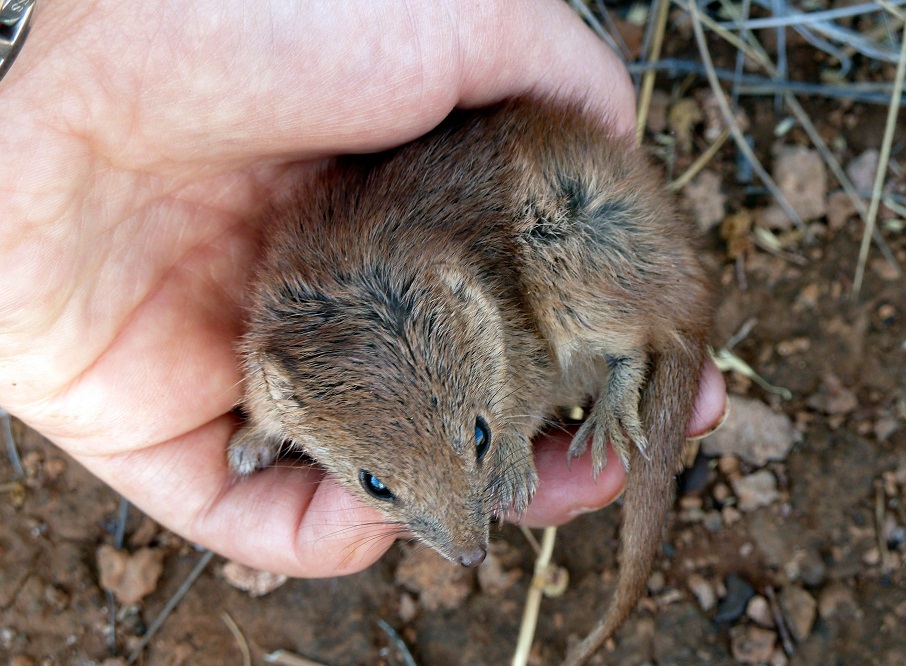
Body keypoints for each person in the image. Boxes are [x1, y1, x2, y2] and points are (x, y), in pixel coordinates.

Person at [0, 0, 727, 577]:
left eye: (470, 435)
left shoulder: (461, 314)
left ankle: (632, 357)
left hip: (557, 217)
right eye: (380, 489)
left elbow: (522, 357)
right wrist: (260, 435)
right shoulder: (282, 383)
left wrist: (502, 440)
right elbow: (271, 400)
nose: (464, 547)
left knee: (578, 287)